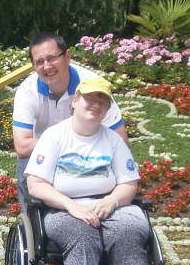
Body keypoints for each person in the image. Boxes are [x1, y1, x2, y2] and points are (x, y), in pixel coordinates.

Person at [25, 76, 157, 265]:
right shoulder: (54, 136)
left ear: (107, 109)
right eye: (90, 98)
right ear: (75, 101)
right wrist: (71, 206)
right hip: (63, 208)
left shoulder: (113, 140)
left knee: (131, 228)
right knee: (80, 232)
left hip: (109, 206)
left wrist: (111, 201)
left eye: (103, 101)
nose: (96, 105)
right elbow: (36, 185)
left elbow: (129, 183)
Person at [13, 32, 127, 208]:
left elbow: (121, 140)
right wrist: (63, 147)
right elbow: (22, 147)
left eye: (52, 58)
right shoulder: (27, 91)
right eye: (39, 62)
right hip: (44, 154)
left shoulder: (93, 86)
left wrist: (82, 150)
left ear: (67, 56)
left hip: (92, 152)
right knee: (27, 164)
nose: (47, 66)